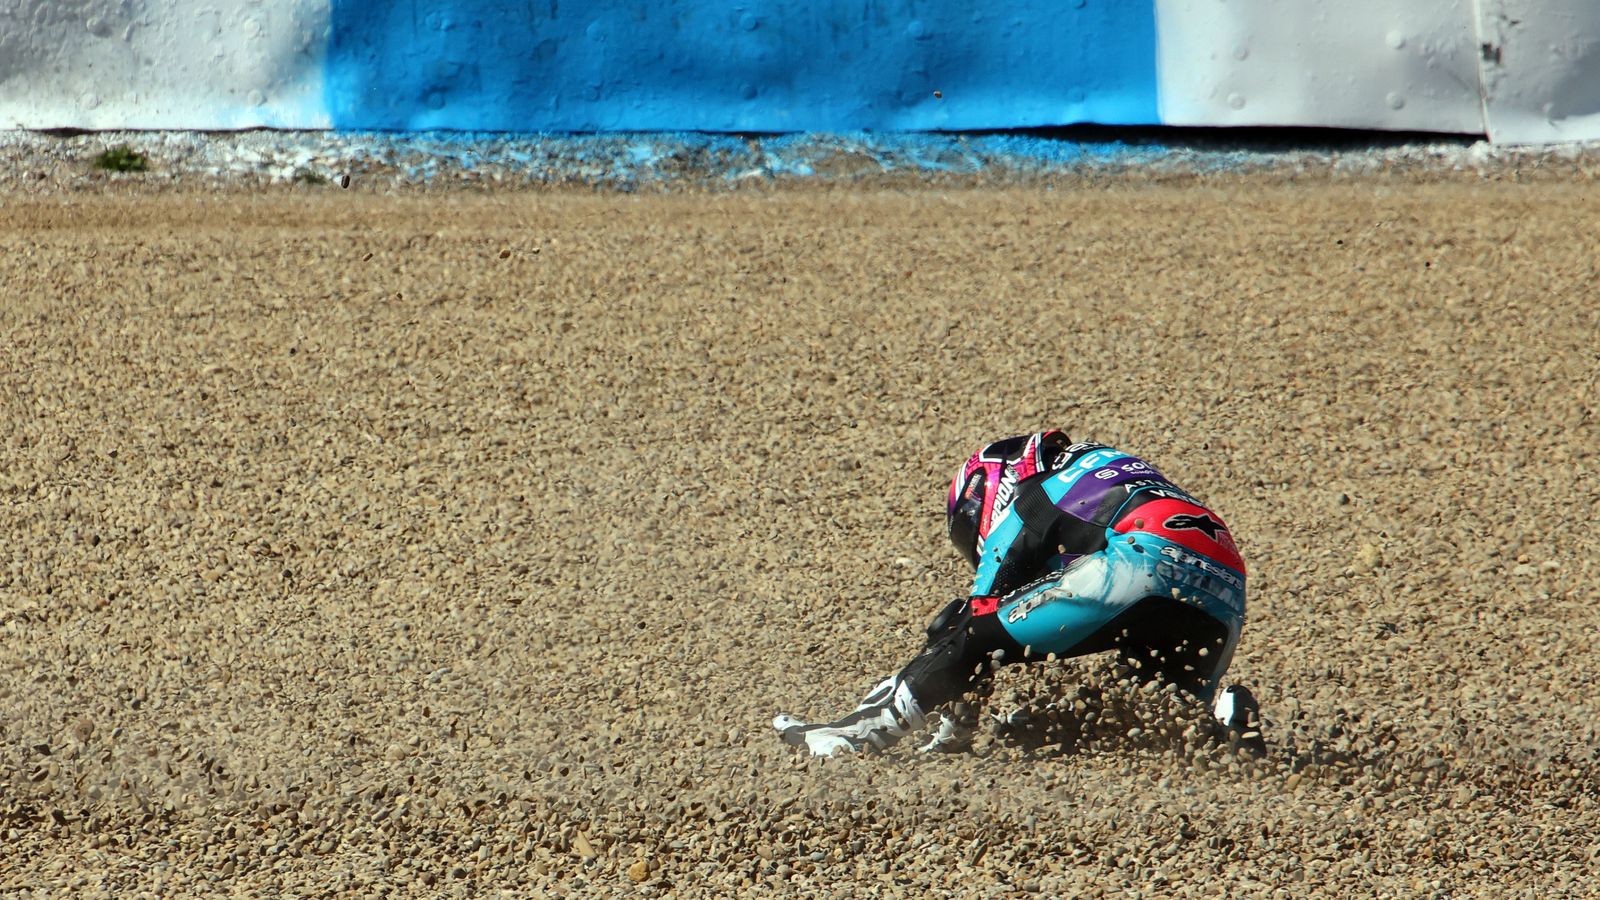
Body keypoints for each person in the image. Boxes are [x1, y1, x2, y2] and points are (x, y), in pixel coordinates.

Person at [773, 431, 1261, 756]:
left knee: (967, 627)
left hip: (1142, 559)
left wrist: (953, 733)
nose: (977, 541)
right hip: (1224, 587)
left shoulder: (1032, 492)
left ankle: (856, 734)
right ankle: (1228, 725)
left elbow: (974, 624)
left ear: (991, 486)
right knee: (1160, 727)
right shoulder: (1106, 468)